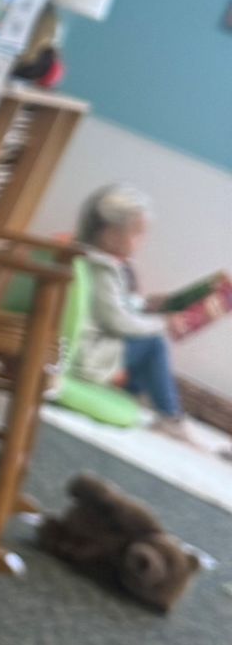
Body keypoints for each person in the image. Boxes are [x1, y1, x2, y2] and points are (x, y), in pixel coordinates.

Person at [73, 182, 210, 447]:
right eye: (137, 234)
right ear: (111, 235)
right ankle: (170, 418)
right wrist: (162, 324)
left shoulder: (104, 265)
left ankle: (139, 398)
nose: (141, 242)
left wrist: (148, 305)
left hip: (96, 350)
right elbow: (117, 321)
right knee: (153, 344)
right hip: (87, 358)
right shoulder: (101, 269)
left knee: (146, 343)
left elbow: (116, 308)